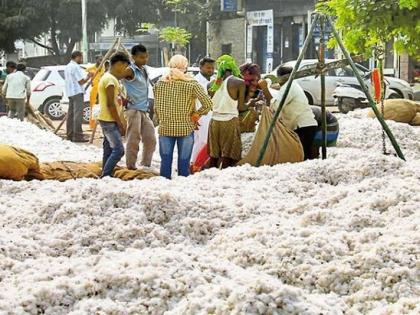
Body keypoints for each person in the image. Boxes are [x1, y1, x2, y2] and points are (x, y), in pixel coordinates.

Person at [153, 55, 212, 179]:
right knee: (184, 163)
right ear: (185, 67)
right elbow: (208, 104)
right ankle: (182, 189)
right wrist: (197, 114)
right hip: (186, 128)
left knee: (165, 161)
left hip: (165, 128)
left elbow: (156, 108)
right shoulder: (191, 84)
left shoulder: (160, 84)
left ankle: (164, 191)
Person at [259, 65, 318, 160]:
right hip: (303, 126)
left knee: (302, 156)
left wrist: (265, 89)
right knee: (302, 156)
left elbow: (277, 106)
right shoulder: (291, 85)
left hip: (303, 126)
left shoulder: (289, 87)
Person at [207, 55, 247, 168]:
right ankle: (223, 179)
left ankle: (210, 177)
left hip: (214, 121)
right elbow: (242, 107)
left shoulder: (211, 84)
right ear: (233, 65)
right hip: (230, 121)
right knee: (228, 156)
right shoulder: (239, 82)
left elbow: (211, 105)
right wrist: (253, 103)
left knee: (214, 156)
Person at [122, 44, 156, 170]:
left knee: (150, 139)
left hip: (144, 110)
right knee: (133, 140)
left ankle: (145, 164)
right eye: (141, 57)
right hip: (133, 110)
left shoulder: (144, 70)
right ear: (134, 57)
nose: (145, 59)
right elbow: (114, 78)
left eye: (146, 57)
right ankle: (130, 166)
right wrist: (122, 96)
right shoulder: (130, 70)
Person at [97, 52, 130, 178]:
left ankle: (106, 174)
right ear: (119, 64)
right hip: (109, 120)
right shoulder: (110, 80)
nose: (125, 70)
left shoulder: (110, 78)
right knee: (118, 150)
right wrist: (120, 123)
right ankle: (105, 174)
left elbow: (114, 100)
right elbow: (110, 104)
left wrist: (124, 100)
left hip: (107, 119)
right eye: (125, 66)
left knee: (108, 149)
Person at [64, 51, 93, 142]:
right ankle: (77, 136)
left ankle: (70, 134)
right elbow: (81, 82)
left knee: (71, 114)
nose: (81, 59)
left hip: (70, 93)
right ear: (77, 57)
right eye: (81, 57)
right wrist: (89, 76)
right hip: (77, 93)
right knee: (77, 115)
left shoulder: (68, 66)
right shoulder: (75, 67)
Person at [191, 57, 215, 162]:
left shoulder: (214, 80)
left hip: (211, 114)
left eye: (212, 68)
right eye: (208, 68)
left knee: (207, 141)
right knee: (201, 140)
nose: (210, 70)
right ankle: (193, 163)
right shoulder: (195, 81)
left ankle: (199, 163)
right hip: (200, 115)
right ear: (200, 67)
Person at [87, 55, 105, 128]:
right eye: (99, 59)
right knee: (93, 107)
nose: (101, 61)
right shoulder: (91, 68)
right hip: (95, 90)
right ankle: (92, 125)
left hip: (102, 89)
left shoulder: (103, 68)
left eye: (102, 59)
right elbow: (88, 78)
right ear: (96, 60)